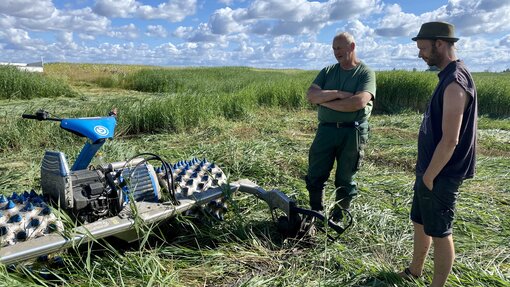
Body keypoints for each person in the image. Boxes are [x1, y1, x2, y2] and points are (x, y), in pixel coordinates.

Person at [400, 22, 477, 287]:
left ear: (440, 44)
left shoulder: (456, 80)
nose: (420, 54)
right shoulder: (446, 76)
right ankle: (415, 270)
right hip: (429, 170)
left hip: (442, 173)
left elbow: (450, 139)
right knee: (420, 221)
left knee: (441, 232)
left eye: (423, 48)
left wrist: (430, 176)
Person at [305, 32, 376, 220]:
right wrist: (338, 93)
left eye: (340, 48)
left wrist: (324, 100)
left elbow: (358, 103)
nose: (336, 52)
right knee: (315, 172)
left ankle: (338, 216)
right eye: (334, 48)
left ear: (351, 47)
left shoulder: (365, 73)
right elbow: (311, 96)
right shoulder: (328, 71)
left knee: (345, 178)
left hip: (352, 132)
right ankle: (316, 211)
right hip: (326, 130)